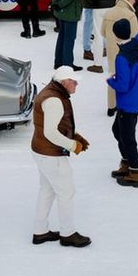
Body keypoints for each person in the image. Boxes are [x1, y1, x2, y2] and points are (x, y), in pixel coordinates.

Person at [30, 67, 91, 248]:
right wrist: (72, 145)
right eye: (73, 80)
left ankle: (40, 231)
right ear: (64, 82)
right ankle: (68, 233)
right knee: (66, 192)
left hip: (41, 150)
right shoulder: (55, 100)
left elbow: (53, 125)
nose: (76, 83)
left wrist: (74, 135)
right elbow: (50, 132)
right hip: (51, 154)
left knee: (47, 190)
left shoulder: (52, 92)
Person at [106, 18, 138, 189]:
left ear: (116, 35)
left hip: (127, 102)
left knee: (127, 137)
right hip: (137, 98)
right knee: (117, 130)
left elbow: (123, 86)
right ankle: (126, 163)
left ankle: (135, 171)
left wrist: (111, 81)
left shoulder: (122, 57)